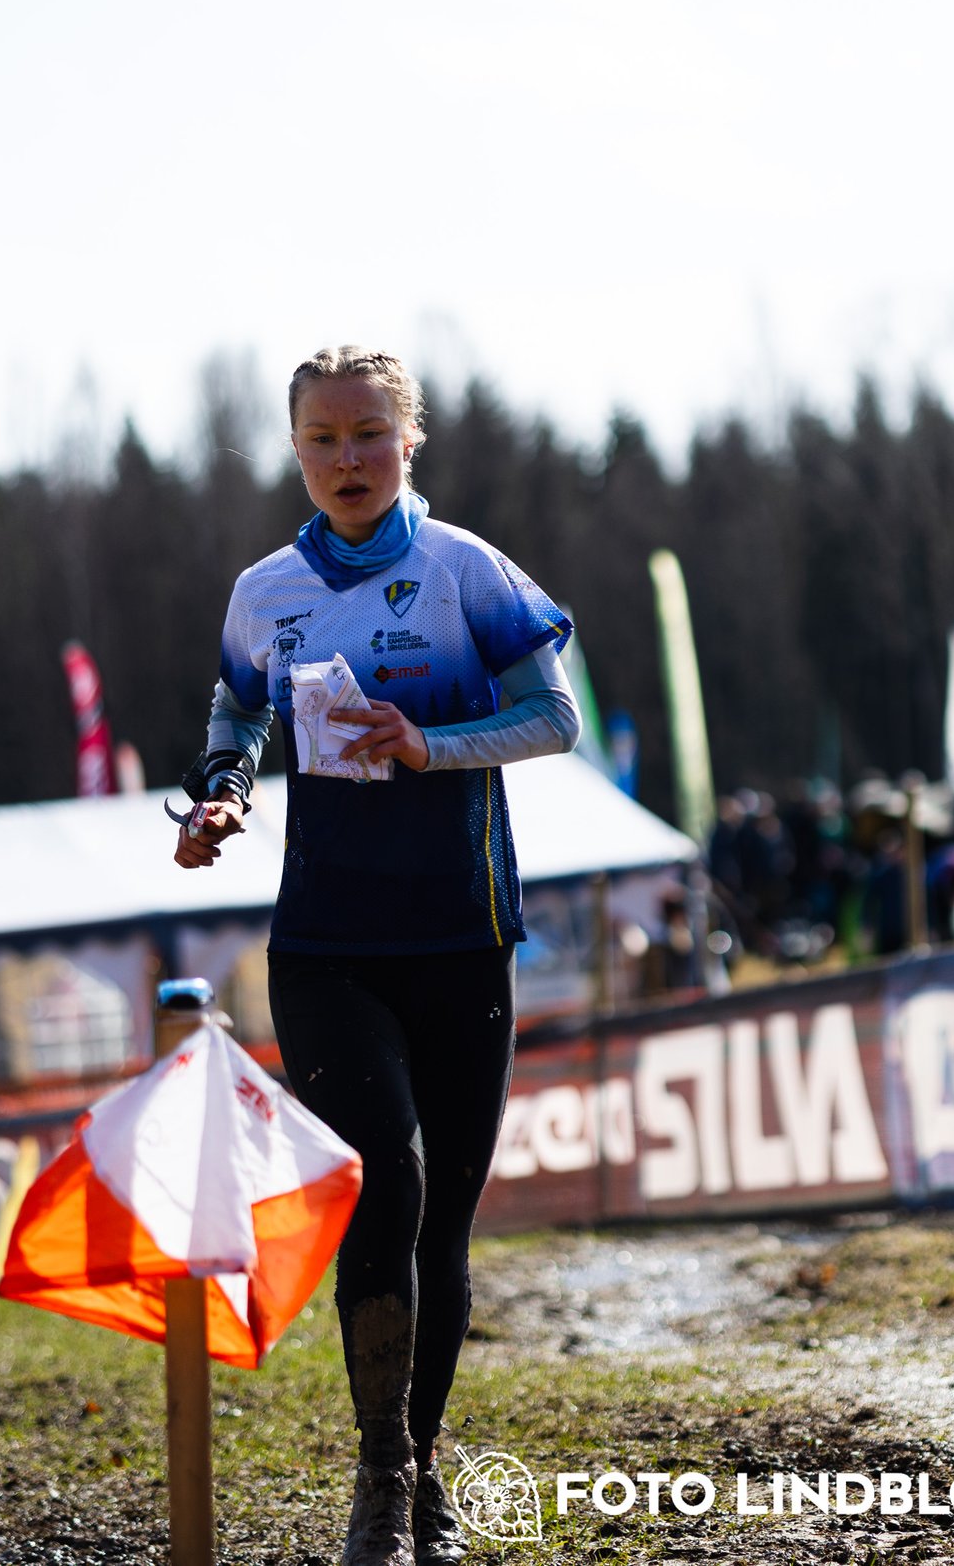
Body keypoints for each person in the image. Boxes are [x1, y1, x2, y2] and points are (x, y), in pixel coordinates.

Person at [173, 347, 579, 1566]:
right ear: (295, 451)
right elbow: (235, 709)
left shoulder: (466, 571)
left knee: (442, 1227)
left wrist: (429, 743)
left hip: (463, 933)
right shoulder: (265, 590)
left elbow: (553, 717)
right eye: (320, 440)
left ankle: (425, 1457)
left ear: (410, 438)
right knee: (384, 1181)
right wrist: (224, 791)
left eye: (366, 434)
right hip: (328, 942)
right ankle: (382, 1480)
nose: (345, 459)